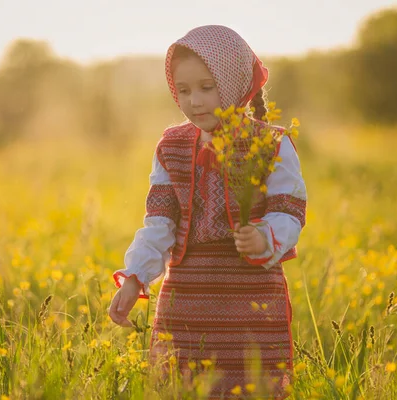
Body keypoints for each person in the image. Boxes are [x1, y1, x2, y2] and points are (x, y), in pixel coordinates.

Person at [109, 25, 307, 399]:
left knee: (252, 384)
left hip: (250, 292)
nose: (194, 101)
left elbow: (290, 208)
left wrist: (264, 235)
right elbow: (160, 221)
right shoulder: (172, 145)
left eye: (206, 87)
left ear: (233, 82)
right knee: (182, 385)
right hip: (187, 292)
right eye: (183, 91)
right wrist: (136, 277)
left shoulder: (272, 143)